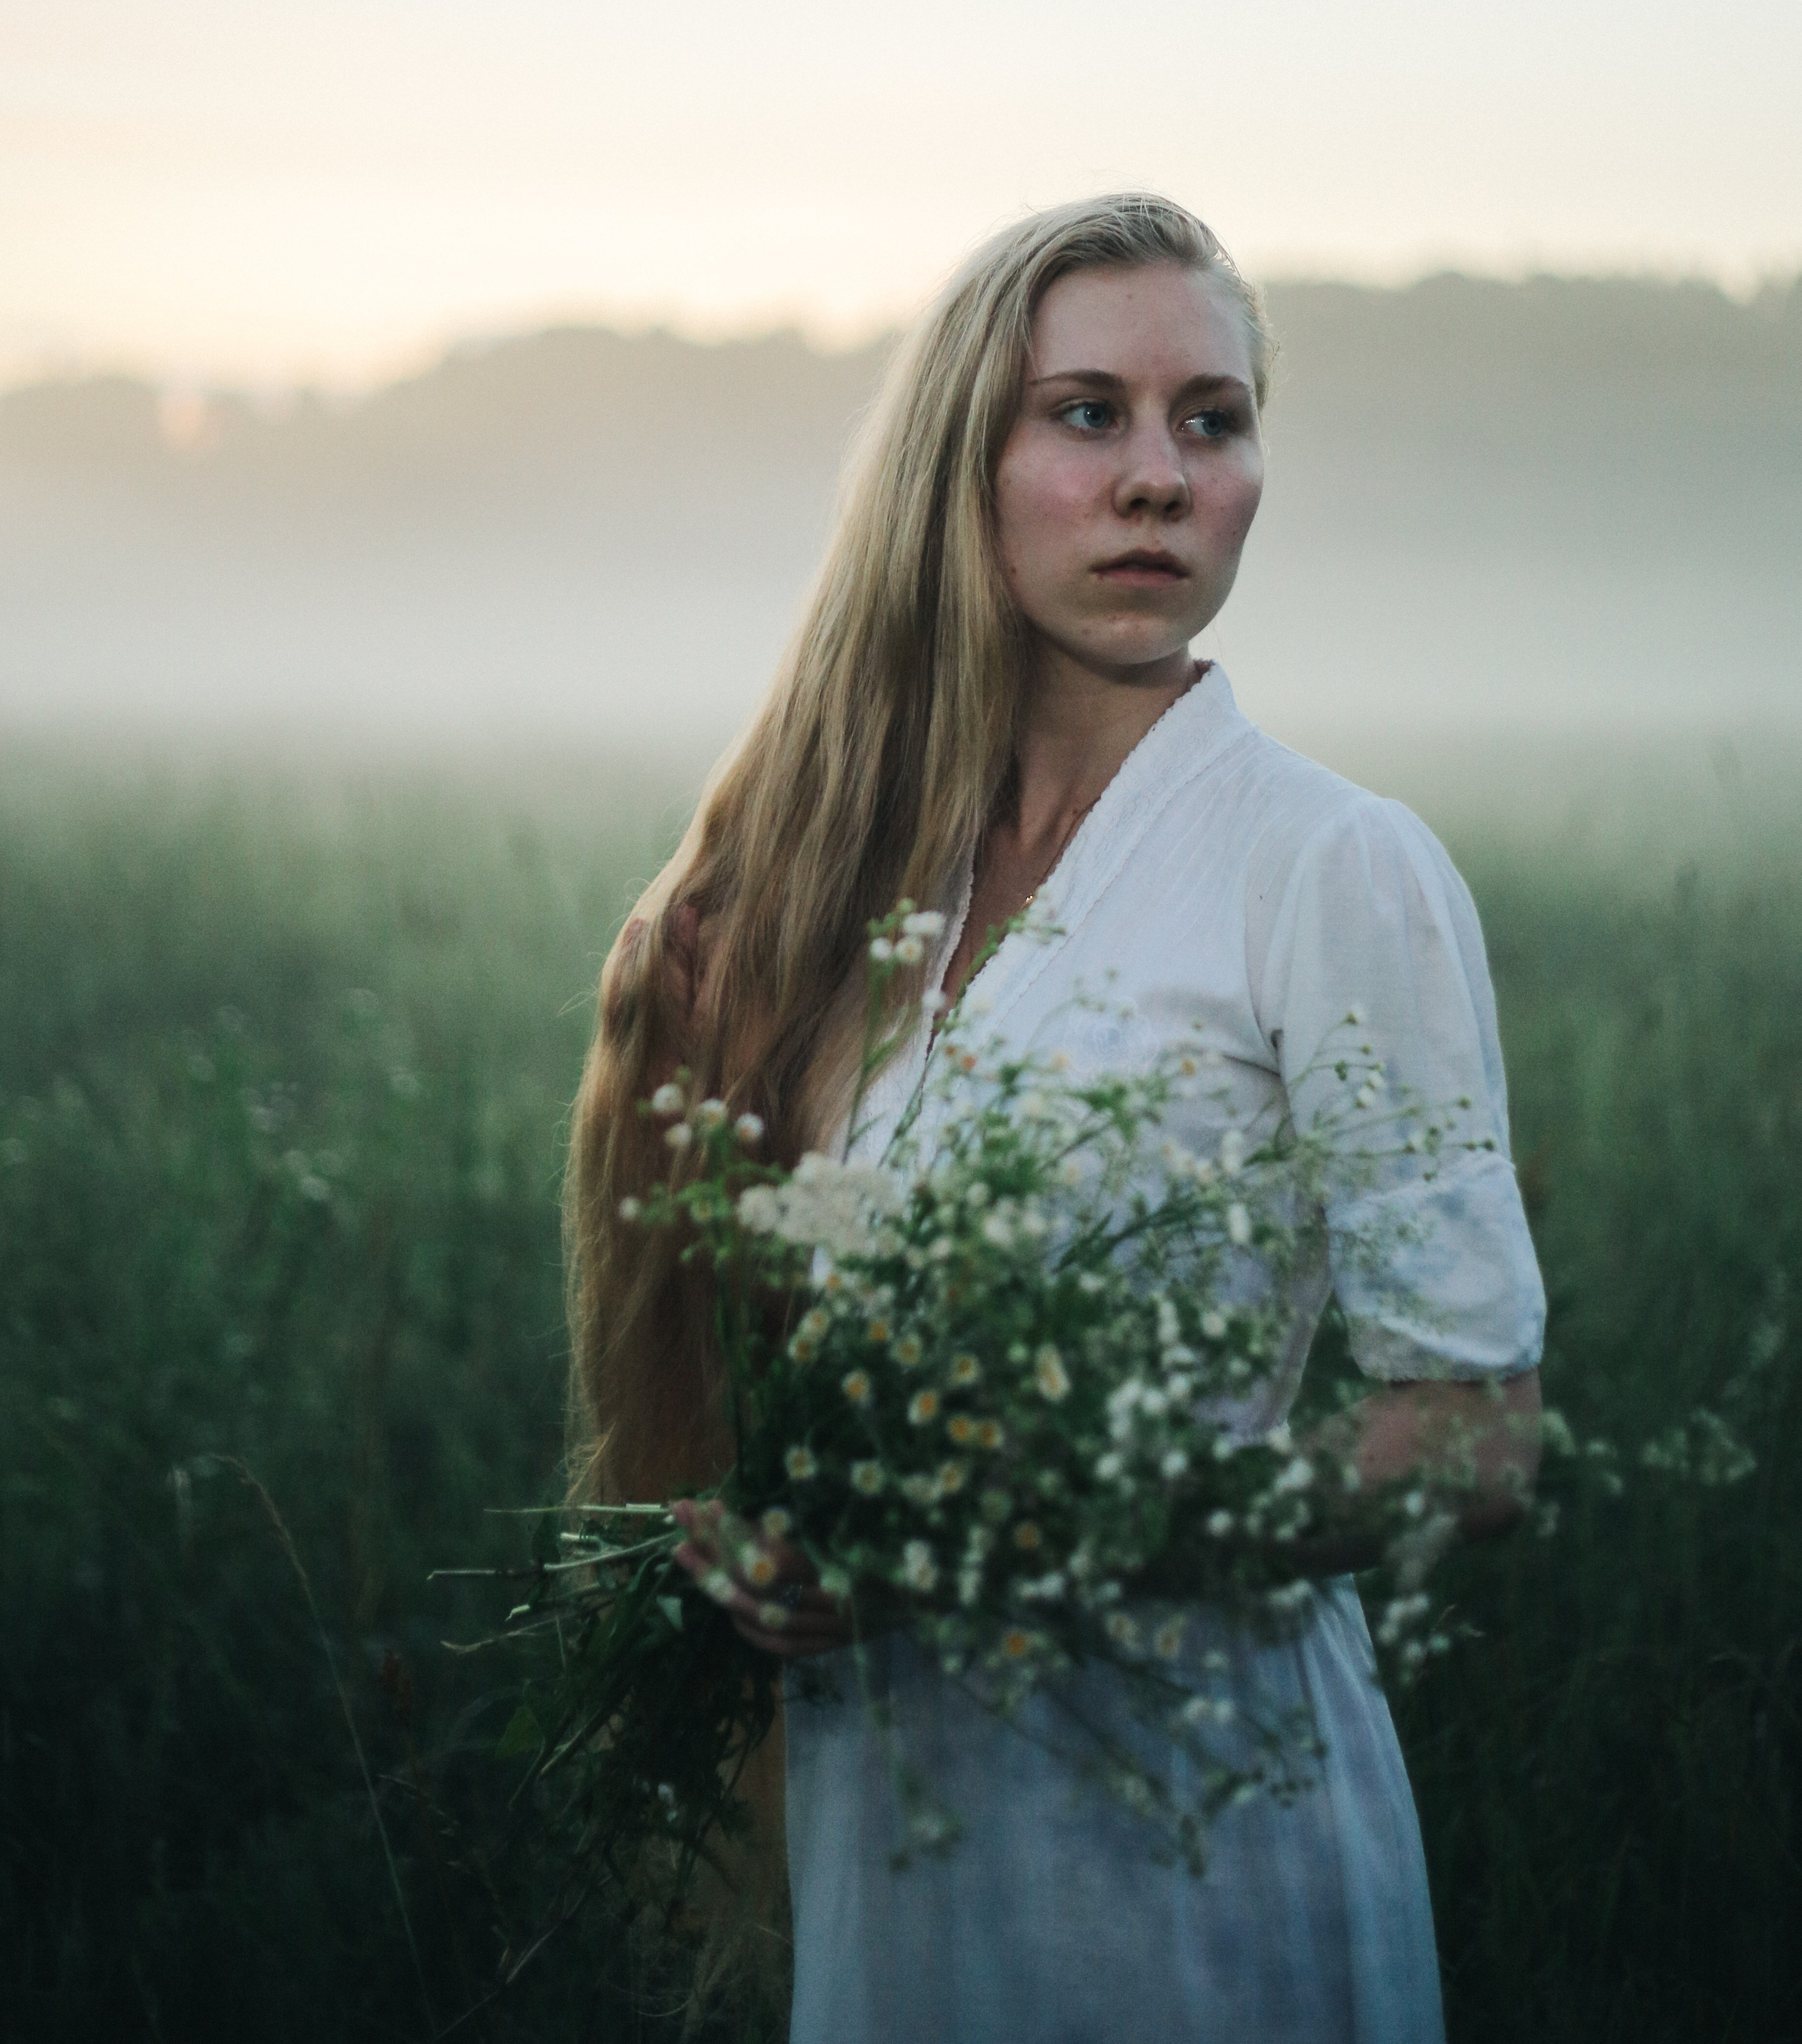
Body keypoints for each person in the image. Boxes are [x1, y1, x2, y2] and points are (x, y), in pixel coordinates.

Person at [565, 192, 1546, 2043]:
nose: (1159, 476)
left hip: (1196, 1847)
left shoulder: (1328, 867)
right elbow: (806, 1381)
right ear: (967, 462)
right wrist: (764, 1525)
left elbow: (1471, 1440)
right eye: (1086, 412)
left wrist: (1051, 1535)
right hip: (894, 1833)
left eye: (1213, 419)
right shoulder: (861, 894)